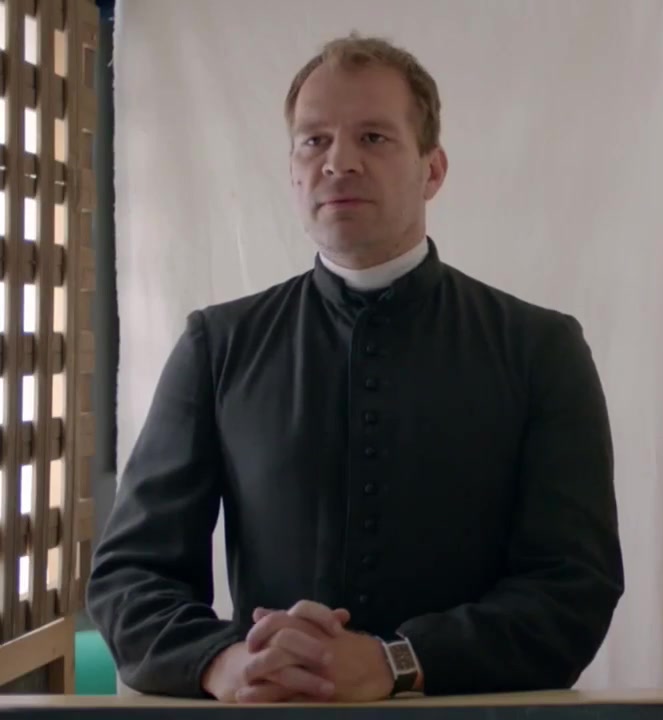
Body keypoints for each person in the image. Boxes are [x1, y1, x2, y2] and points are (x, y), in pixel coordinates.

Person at [86, 33, 625, 703]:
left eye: (373, 137)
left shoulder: (540, 348)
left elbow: (574, 589)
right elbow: (131, 577)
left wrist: (397, 662)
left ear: (432, 170)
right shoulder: (218, 345)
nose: (338, 162)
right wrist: (224, 663)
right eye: (313, 141)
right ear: (292, 171)